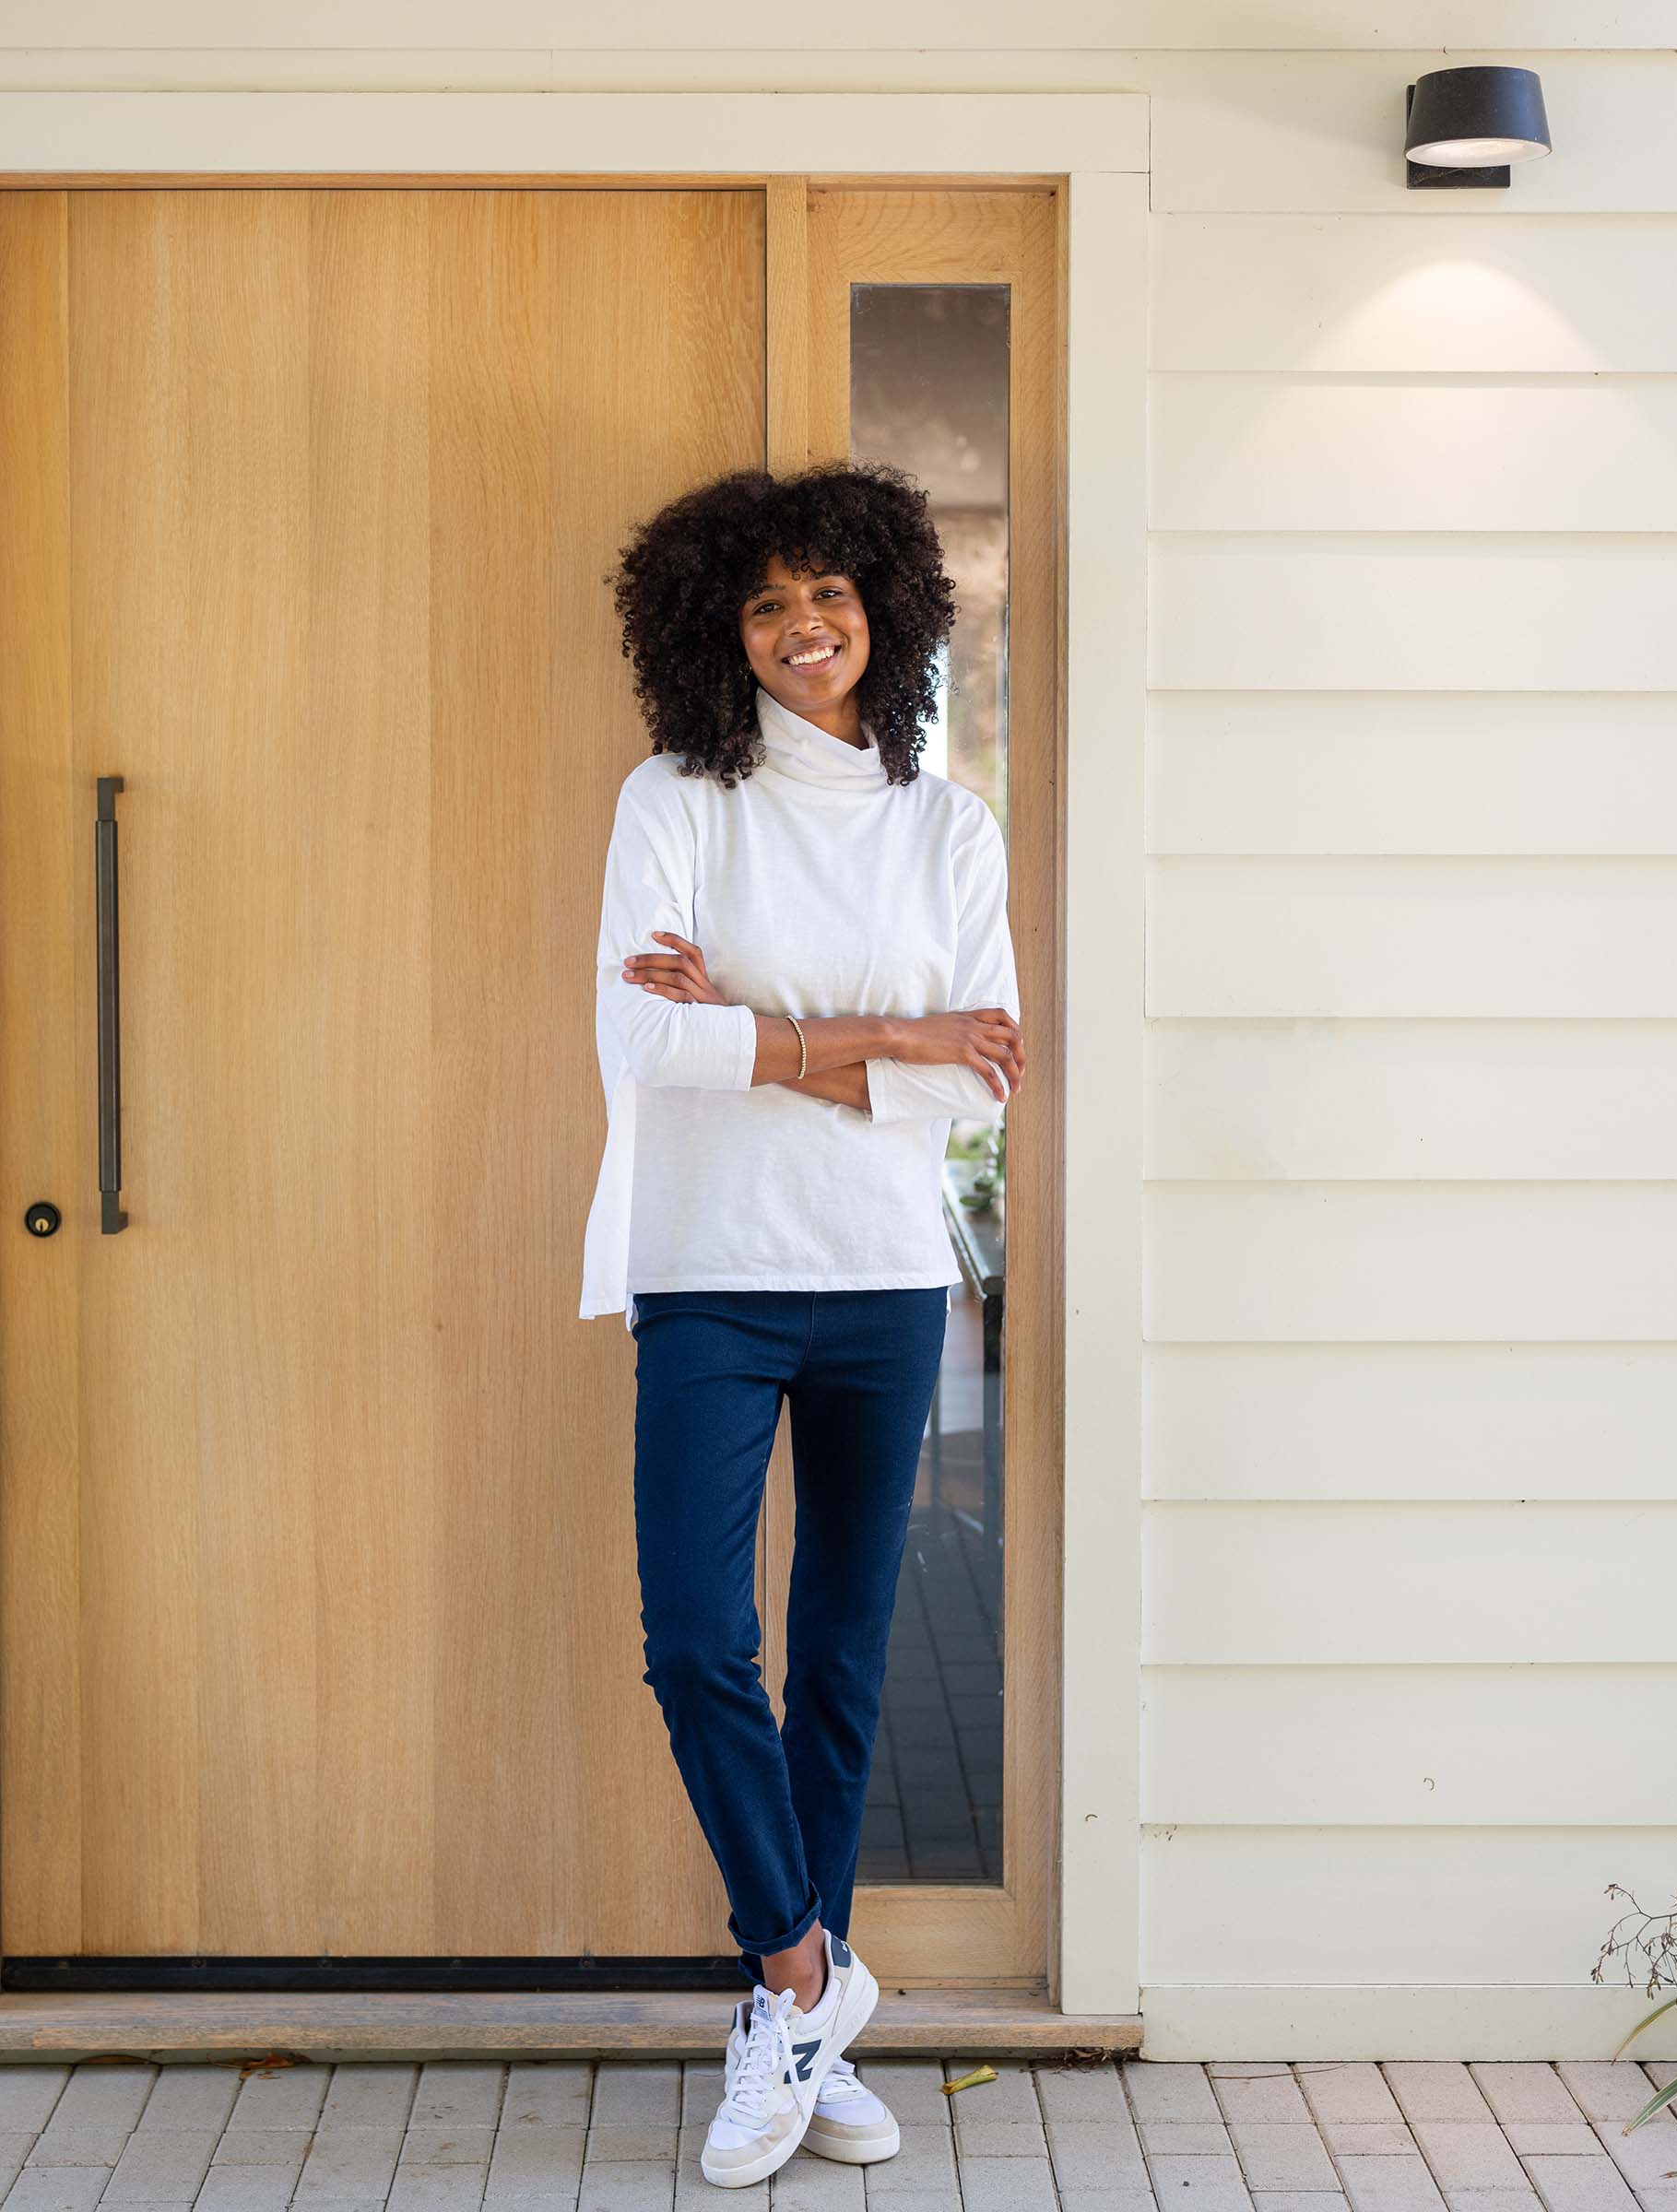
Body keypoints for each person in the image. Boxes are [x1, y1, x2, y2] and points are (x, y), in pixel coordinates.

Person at [578, 459, 1025, 2191]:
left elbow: (976, 1085)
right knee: (698, 1637)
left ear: (886, 609)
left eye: (828, 593)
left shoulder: (948, 825)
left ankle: (788, 2025)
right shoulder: (674, 799)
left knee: (842, 1664)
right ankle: (802, 1976)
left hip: (882, 1280)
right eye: (764, 603)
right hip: (707, 1266)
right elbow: (646, 1050)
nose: (801, 626)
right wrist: (881, 1041)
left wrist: (773, 1031)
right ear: (720, 628)